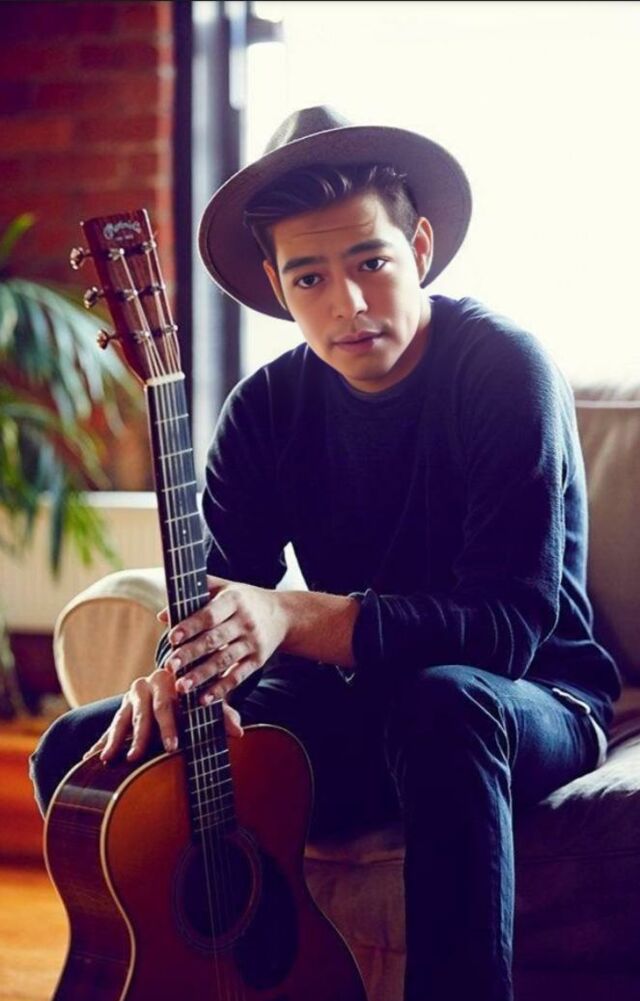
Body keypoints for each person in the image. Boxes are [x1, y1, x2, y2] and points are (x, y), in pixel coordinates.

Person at [31, 105, 621, 1001]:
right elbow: (221, 595)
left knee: (443, 703)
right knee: (84, 749)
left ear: (419, 246)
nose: (346, 303)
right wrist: (179, 669)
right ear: (276, 284)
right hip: (360, 705)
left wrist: (291, 615)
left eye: (371, 262)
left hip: (528, 695)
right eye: (309, 277)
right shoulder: (265, 408)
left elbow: (508, 629)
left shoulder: (502, 369)